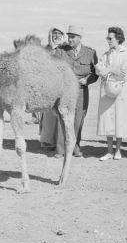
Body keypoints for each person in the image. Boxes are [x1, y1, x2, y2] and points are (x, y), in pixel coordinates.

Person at [60, 25, 98, 157]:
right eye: (68, 37)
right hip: (64, 90)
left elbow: (95, 73)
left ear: (80, 38)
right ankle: (63, 148)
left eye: (72, 37)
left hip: (82, 90)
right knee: (64, 119)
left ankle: (75, 145)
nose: (69, 39)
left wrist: (87, 80)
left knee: (78, 120)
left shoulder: (90, 53)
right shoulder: (61, 51)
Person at [96, 27, 127, 161]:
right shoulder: (105, 54)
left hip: (120, 92)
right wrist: (111, 70)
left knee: (119, 119)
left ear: (118, 38)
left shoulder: (126, 54)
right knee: (107, 119)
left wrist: (109, 70)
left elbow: (125, 74)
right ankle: (109, 151)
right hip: (107, 91)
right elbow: (99, 69)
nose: (108, 40)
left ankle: (118, 150)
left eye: (110, 38)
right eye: (107, 38)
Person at [39, 26, 68, 154]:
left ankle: (61, 144)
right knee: (49, 115)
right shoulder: (46, 49)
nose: (56, 36)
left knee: (61, 114)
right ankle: (48, 141)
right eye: (54, 33)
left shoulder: (66, 48)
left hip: (62, 85)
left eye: (59, 33)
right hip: (48, 86)